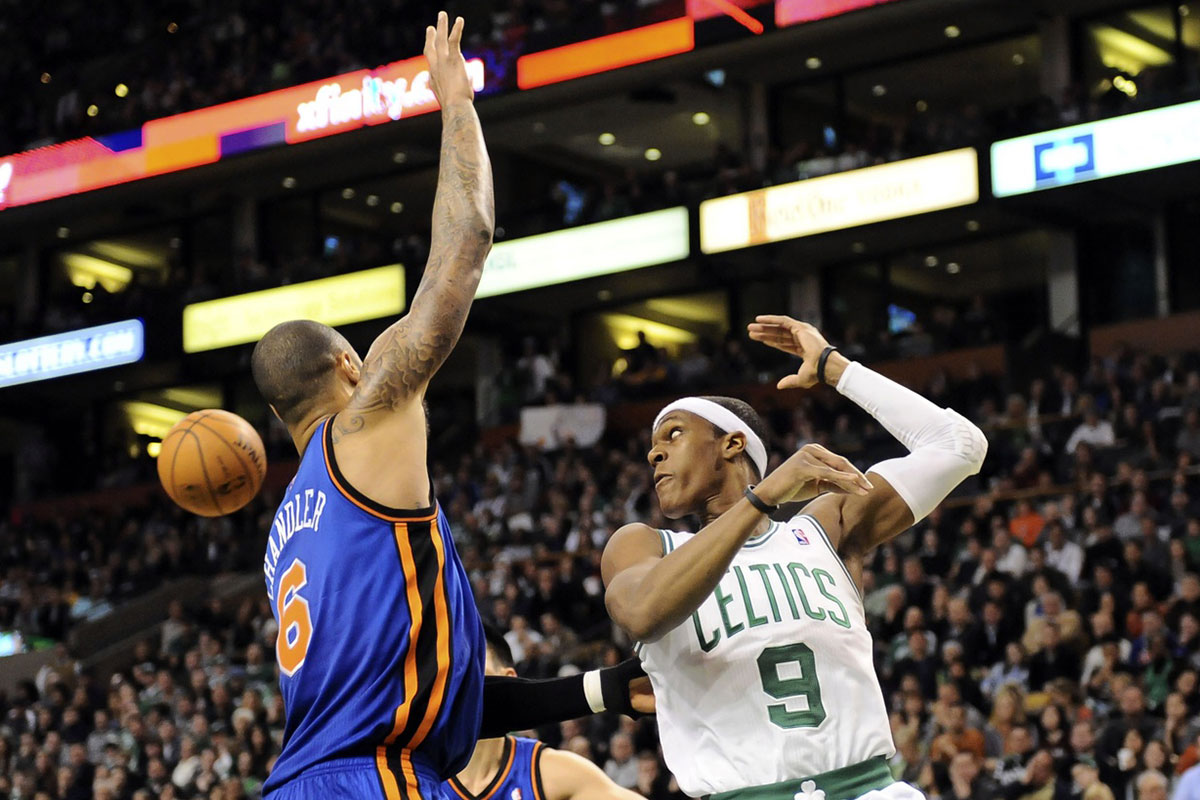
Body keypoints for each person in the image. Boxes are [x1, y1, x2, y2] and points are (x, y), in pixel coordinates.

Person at [251, 14, 647, 799]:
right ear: (348, 364)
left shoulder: (284, 535)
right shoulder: (364, 424)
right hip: (375, 781)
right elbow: (465, 242)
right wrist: (456, 103)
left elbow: (437, 708)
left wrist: (598, 691)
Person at [601, 315, 987, 800]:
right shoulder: (644, 545)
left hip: (867, 789)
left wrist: (835, 368)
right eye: (652, 446)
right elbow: (642, 613)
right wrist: (762, 497)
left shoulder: (823, 529)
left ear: (732, 443)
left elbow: (960, 446)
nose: (655, 455)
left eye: (673, 434)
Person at [446, 627, 642, 800]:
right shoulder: (421, 775)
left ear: (509, 681)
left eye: (480, 678)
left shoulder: (551, 772)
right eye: (455, 677)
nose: (466, 690)